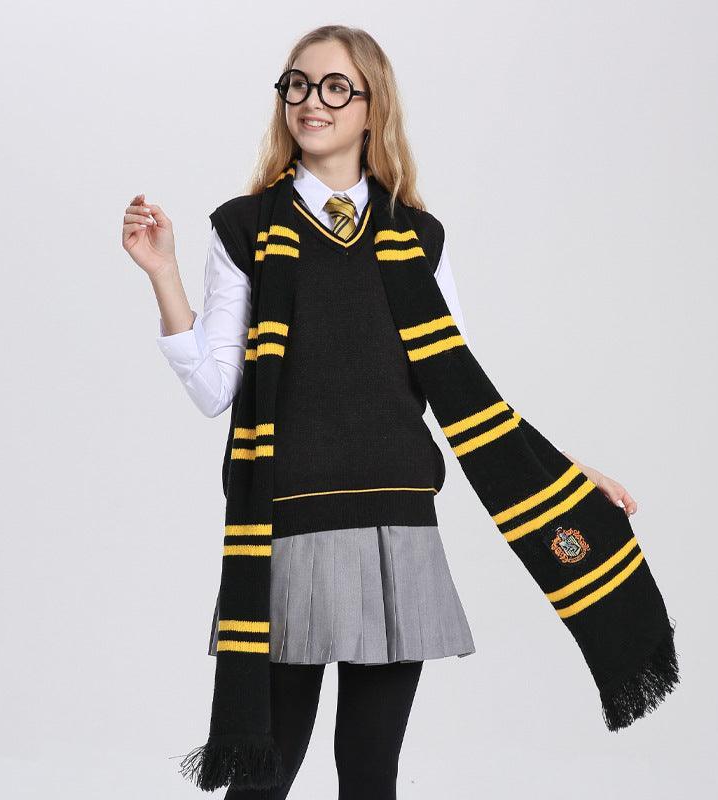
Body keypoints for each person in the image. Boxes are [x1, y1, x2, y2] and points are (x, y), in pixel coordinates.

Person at [121, 24, 637, 799]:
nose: (312, 101)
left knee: (371, 776)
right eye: (297, 84)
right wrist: (162, 275)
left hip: (398, 528)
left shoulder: (418, 237)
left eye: (335, 87)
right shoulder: (245, 227)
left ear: (372, 107)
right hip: (289, 528)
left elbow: (464, 386)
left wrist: (566, 472)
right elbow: (214, 388)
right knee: (263, 778)